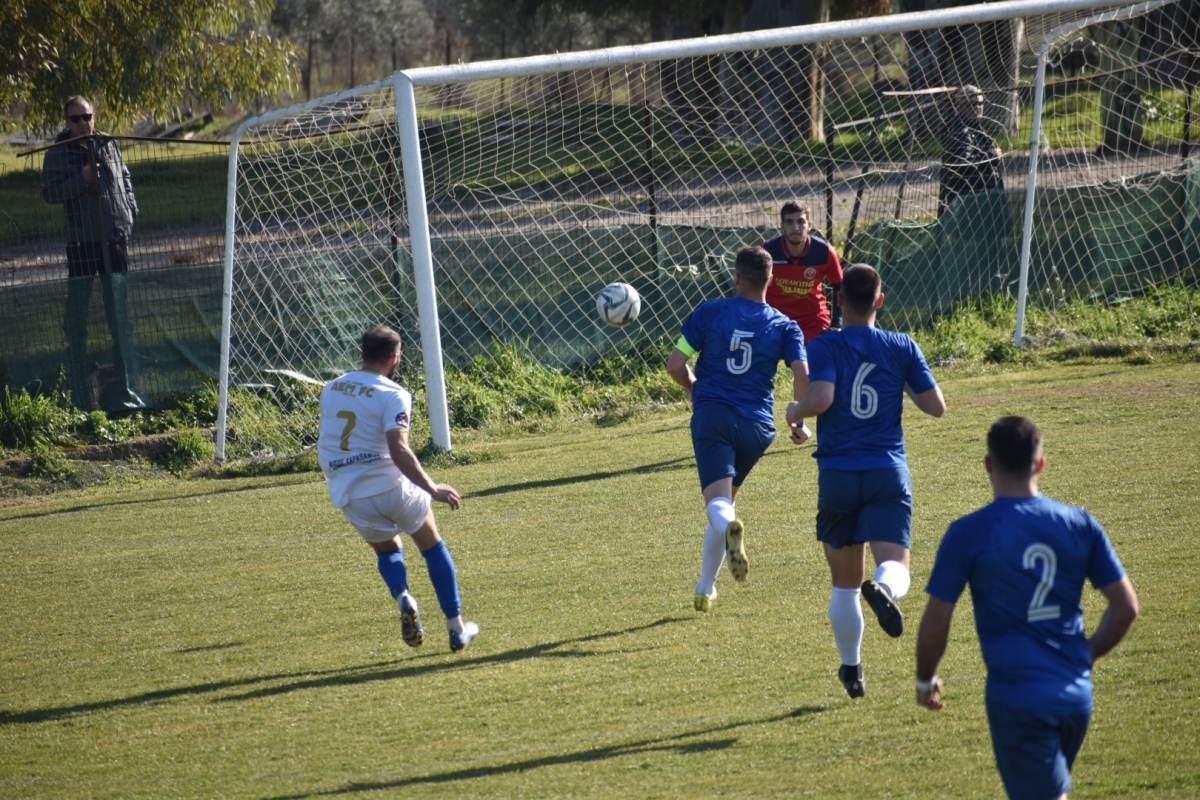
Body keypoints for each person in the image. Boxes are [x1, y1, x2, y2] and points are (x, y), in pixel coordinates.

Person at [916, 416, 1139, 800]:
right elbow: (1125, 608)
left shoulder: (968, 533)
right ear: (1040, 464)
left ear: (988, 464)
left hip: (1019, 700)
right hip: (1076, 698)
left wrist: (924, 679)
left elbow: (936, 623)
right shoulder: (1079, 523)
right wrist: (1086, 654)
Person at [785, 263, 945, 698]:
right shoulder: (901, 345)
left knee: (843, 584)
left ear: (839, 301)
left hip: (838, 473)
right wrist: (903, 382)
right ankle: (885, 587)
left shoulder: (824, 344)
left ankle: (852, 670)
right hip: (886, 471)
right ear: (880, 300)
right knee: (897, 567)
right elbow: (937, 407)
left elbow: (822, 397)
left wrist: (794, 412)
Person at [318, 325, 479, 652]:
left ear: (361, 354)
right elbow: (399, 449)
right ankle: (456, 628)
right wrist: (433, 488)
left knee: (388, 550)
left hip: (349, 491)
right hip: (390, 484)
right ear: (395, 357)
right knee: (431, 546)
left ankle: (404, 596)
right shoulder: (393, 393)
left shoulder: (332, 388)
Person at [667, 246, 810, 613]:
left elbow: (675, 363)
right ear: (771, 281)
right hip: (757, 428)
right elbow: (801, 373)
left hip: (713, 416)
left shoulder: (710, 311)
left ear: (736, 278)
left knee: (719, 506)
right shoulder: (785, 325)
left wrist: (695, 388)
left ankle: (730, 530)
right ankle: (705, 589)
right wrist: (798, 419)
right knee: (725, 500)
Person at [40, 96, 143, 410]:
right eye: (76, 119)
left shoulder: (108, 144)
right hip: (83, 241)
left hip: (115, 235)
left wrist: (130, 210)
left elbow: (123, 177)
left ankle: (124, 361)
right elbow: (50, 192)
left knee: (117, 304)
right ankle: (77, 362)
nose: (83, 123)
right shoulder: (58, 153)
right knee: (78, 306)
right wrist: (80, 180)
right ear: (67, 122)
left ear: (94, 117)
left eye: (87, 116)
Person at [761, 201, 843, 344]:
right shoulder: (767, 250)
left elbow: (840, 286)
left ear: (809, 225)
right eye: (789, 222)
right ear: (782, 226)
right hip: (775, 321)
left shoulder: (824, 251)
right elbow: (753, 285)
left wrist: (837, 324)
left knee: (818, 357)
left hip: (813, 322)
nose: (796, 227)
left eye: (801, 221)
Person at [938, 85, 1004, 217]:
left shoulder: (974, 128)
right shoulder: (961, 131)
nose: (978, 108)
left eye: (980, 103)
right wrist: (992, 155)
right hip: (973, 205)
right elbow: (963, 163)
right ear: (960, 107)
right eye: (971, 104)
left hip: (982, 201)